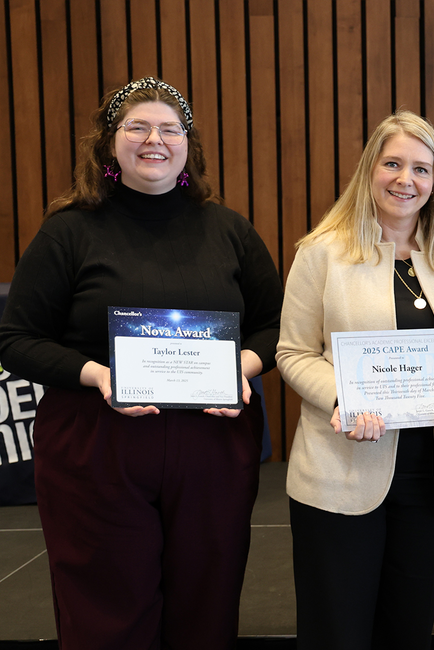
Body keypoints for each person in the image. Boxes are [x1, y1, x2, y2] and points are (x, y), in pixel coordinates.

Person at [0, 77, 282, 648]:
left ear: (188, 146)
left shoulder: (228, 230)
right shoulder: (68, 232)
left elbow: (278, 326)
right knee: (105, 609)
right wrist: (98, 375)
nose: (155, 139)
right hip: (97, 444)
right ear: (109, 144)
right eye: (137, 126)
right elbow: (16, 337)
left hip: (213, 443)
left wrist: (243, 367)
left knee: (207, 602)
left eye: (170, 128)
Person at [277, 109, 434, 649]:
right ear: (370, 170)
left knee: (407, 633)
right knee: (336, 635)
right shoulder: (321, 253)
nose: (406, 179)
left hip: (432, 478)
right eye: (392, 164)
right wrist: (345, 399)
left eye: (421, 168)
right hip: (341, 474)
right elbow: (295, 353)